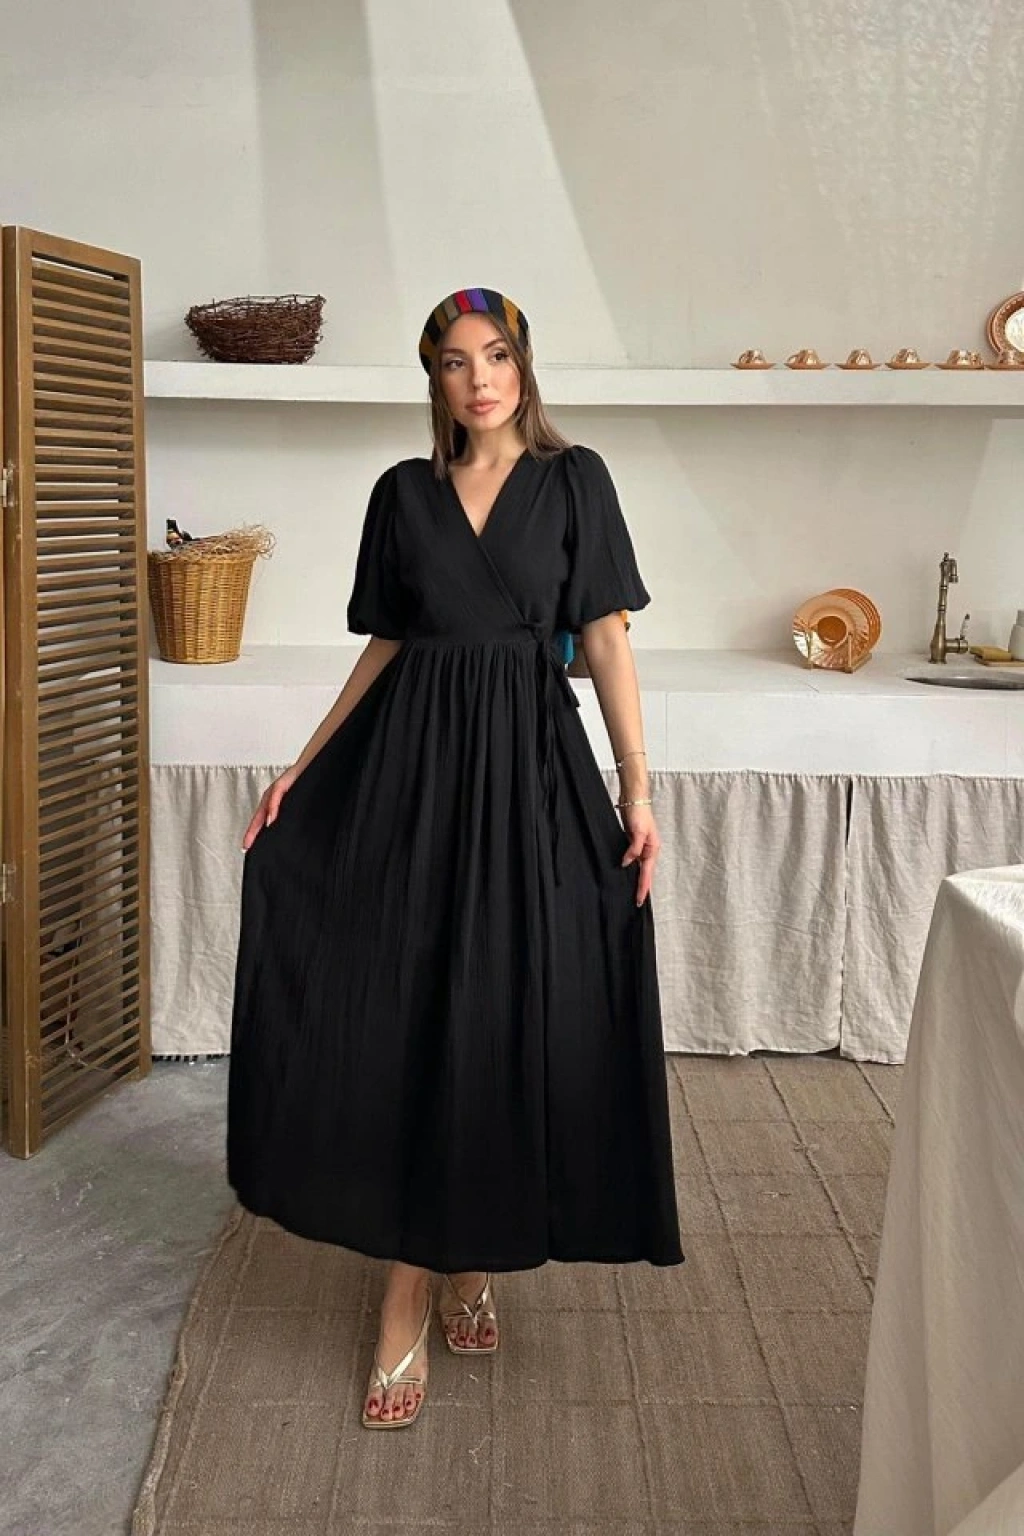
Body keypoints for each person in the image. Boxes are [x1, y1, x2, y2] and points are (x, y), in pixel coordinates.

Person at [226, 286, 684, 1432]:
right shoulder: (403, 493)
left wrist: (634, 788)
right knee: (413, 1009)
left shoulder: (575, 482)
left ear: (523, 365)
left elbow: (606, 636)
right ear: (431, 378)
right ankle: (413, 1287)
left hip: (527, 772)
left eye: (495, 354)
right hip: (411, 773)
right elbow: (391, 641)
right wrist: (301, 766)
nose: (478, 378)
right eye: (452, 361)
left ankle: (463, 1254)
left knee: (504, 1008)